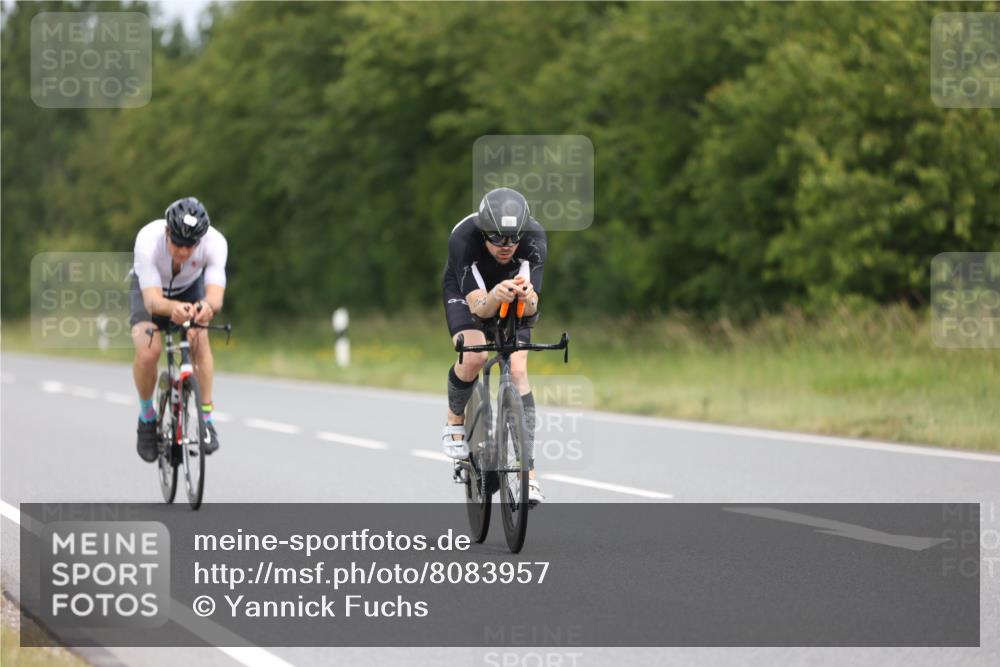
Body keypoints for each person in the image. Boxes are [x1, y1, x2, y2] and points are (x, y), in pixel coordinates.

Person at [441, 187, 547, 504]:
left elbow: (533, 306)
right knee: (475, 357)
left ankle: (528, 476)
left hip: (511, 294)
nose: (506, 247)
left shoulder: (534, 238)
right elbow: (478, 307)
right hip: (469, 293)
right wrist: (494, 296)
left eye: (513, 239)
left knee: (517, 370)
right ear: (484, 231)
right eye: (498, 239)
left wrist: (526, 299)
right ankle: (454, 422)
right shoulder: (464, 236)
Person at [130, 197, 227, 462]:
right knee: (149, 352)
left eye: (191, 246)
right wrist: (172, 308)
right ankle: (147, 417)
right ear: (167, 233)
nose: (184, 252)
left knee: (199, 336)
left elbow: (215, 296)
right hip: (150, 290)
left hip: (189, 288)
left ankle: (206, 419)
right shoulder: (148, 240)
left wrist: (206, 307)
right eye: (178, 244)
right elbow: (152, 301)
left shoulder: (216, 243)